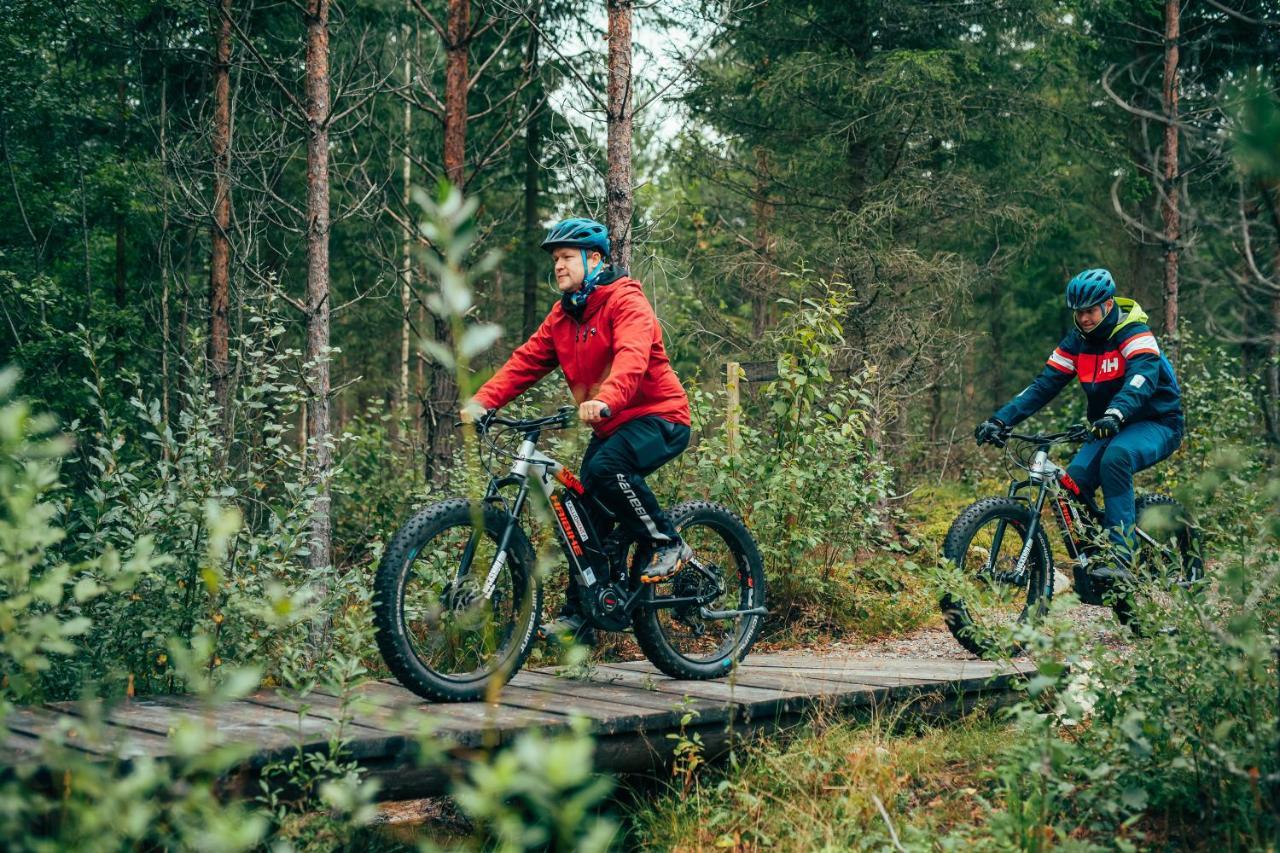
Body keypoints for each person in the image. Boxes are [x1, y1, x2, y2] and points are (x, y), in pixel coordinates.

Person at [464, 217, 693, 641]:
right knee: (582, 511)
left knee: (606, 470)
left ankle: (667, 543)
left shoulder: (625, 302)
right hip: (613, 426)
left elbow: (632, 356)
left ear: (594, 259)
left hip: (660, 416)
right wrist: (484, 401)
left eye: (567, 257)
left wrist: (607, 398)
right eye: (555, 259)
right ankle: (585, 614)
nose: (558, 266)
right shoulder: (563, 316)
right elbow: (525, 361)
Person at [974, 268, 1185, 581]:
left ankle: (1121, 558)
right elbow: (1041, 386)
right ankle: (1094, 564)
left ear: (1108, 305)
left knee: (1117, 458)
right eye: (1079, 312)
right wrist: (1000, 419)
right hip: (1110, 426)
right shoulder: (1077, 343)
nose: (1084, 319)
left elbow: (1141, 379)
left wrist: (1116, 413)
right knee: (1073, 483)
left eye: (1090, 311)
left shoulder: (1134, 333)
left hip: (1156, 422)